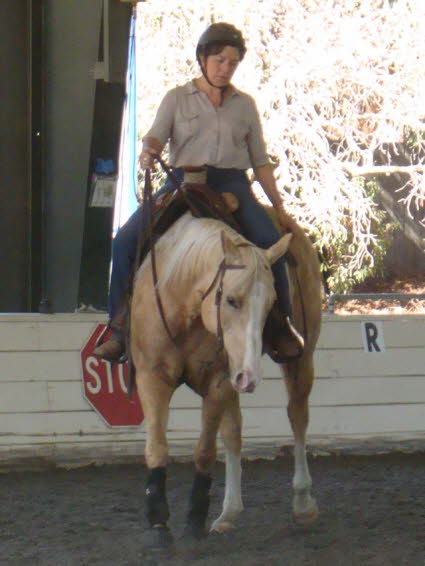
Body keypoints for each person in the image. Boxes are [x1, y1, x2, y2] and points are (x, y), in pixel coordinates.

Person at [94, 22, 304, 361]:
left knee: (268, 243)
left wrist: (279, 208)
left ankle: (280, 325)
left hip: (233, 181)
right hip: (183, 181)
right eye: (219, 60)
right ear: (203, 59)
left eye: (233, 63)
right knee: (125, 242)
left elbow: (260, 161)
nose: (225, 69)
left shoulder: (245, 105)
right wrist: (149, 150)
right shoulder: (177, 98)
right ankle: (119, 328)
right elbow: (155, 136)